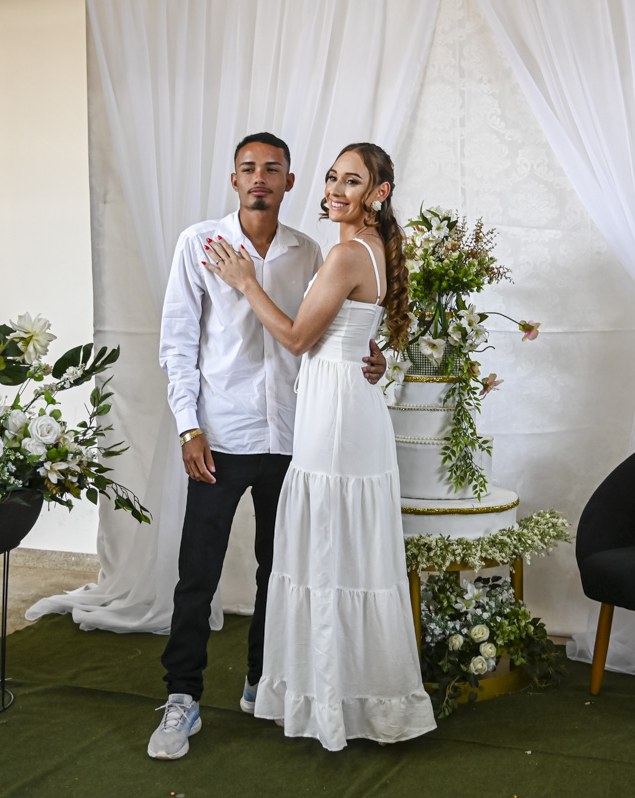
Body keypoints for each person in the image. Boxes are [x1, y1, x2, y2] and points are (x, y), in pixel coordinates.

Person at [149, 133, 387, 760]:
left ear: (288, 182)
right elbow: (178, 343)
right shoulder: (199, 244)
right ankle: (182, 697)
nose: (260, 178)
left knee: (278, 571)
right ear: (234, 180)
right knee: (197, 573)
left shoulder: (312, 251)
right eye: (248, 168)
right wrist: (188, 426)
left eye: (272, 169)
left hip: (295, 435)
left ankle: (262, 682)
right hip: (220, 436)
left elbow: (332, 326)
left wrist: (376, 356)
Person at [204, 142, 436, 750]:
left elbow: (296, 338)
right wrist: (373, 355)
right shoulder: (373, 247)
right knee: (343, 549)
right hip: (348, 404)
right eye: (332, 177)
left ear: (379, 193)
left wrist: (245, 281)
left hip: (335, 414)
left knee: (329, 546)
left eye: (351, 181)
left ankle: (332, 703)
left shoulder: (345, 253)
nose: (334, 189)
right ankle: (350, 694)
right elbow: (356, 331)